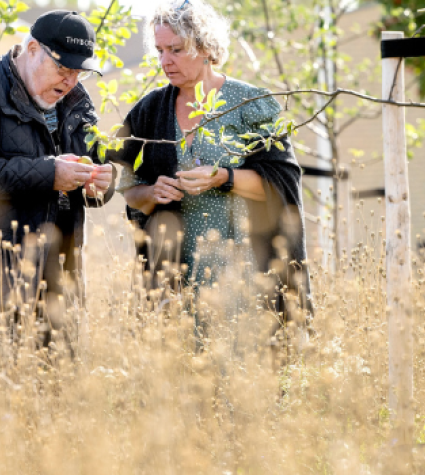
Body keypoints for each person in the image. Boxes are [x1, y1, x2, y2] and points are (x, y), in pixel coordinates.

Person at [109, 0, 314, 358]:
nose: (164, 60)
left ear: (205, 48)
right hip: (175, 276)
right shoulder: (149, 110)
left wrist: (224, 176)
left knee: (247, 373)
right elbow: (129, 191)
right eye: (159, 50)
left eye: (175, 49)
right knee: (184, 380)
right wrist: (152, 191)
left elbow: (283, 183)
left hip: (246, 272)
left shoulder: (251, 103)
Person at [0, 11, 117, 347]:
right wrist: (50, 174)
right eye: (62, 68)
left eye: (78, 72)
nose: (70, 81)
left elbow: (97, 168)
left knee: (61, 393)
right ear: (31, 49)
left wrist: (101, 180)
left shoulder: (75, 100)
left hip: (57, 281)